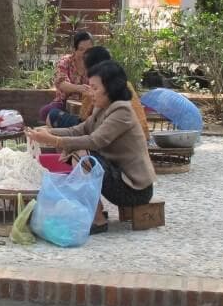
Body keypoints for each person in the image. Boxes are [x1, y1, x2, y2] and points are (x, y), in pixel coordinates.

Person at [26, 60, 156, 234]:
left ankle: (98, 220)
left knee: (82, 155)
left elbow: (95, 141)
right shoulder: (102, 108)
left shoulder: (122, 111)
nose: (91, 93)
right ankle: (96, 210)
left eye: (95, 88)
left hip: (134, 188)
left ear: (110, 88)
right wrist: (47, 132)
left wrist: (54, 141)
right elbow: (79, 130)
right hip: (119, 177)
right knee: (80, 153)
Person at [46, 46, 150, 138]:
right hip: (140, 134)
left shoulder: (100, 87)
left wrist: (56, 140)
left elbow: (86, 125)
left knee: (53, 115)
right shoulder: (123, 83)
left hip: (117, 138)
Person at [38, 30, 93, 124]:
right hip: (64, 103)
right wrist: (79, 88)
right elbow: (62, 84)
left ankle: (73, 124)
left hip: (90, 104)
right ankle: (77, 124)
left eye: (89, 49)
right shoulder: (65, 61)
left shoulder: (96, 62)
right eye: (81, 49)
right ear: (74, 49)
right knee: (46, 111)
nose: (86, 53)